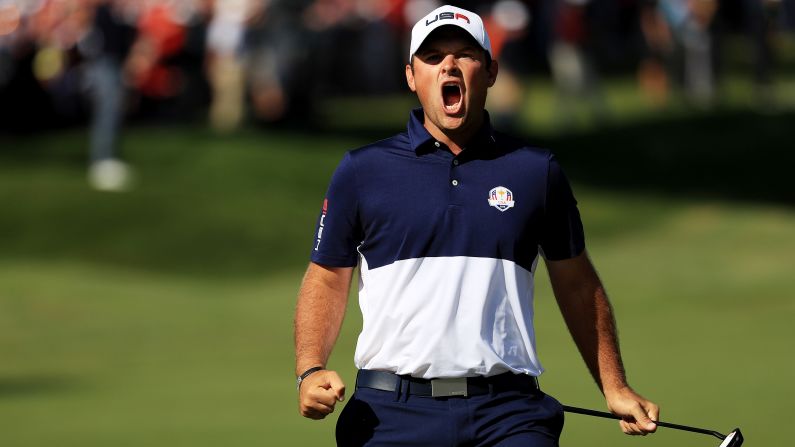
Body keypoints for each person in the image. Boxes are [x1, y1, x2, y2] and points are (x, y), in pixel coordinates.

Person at [294, 5, 659, 446]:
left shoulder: (534, 170)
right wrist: (310, 368)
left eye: (464, 54)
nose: (448, 64)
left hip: (508, 414)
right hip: (390, 414)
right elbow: (328, 277)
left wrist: (614, 386)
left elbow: (578, 283)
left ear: (490, 71)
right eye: (432, 58)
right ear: (411, 77)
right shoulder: (362, 170)